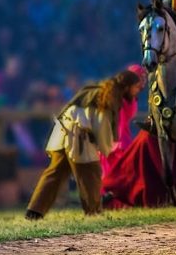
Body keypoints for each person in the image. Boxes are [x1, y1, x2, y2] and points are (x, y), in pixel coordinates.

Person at [24, 69, 142, 219]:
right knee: (90, 174)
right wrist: (106, 148)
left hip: (63, 132)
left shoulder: (96, 90)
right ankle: (94, 212)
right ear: (127, 87)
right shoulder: (110, 97)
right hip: (78, 136)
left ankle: (34, 211)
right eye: (136, 87)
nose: (138, 91)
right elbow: (102, 123)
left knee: (55, 173)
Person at [99, 64, 147, 179]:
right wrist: (120, 145)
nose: (144, 81)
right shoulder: (118, 100)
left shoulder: (131, 97)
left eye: (145, 77)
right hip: (115, 145)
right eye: (141, 78)